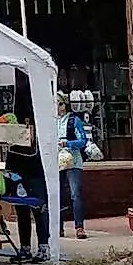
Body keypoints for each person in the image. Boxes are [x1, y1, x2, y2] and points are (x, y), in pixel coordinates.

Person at [58, 97, 91, 240]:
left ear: (64, 105)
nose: (57, 107)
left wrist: (68, 143)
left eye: (59, 104)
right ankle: (58, 227)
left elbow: (83, 140)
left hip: (73, 161)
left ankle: (79, 227)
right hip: (57, 160)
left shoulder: (73, 120)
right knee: (57, 194)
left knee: (75, 194)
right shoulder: (51, 121)